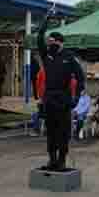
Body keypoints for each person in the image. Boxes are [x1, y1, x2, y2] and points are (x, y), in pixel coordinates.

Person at [37, 14, 86, 171]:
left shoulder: (69, 57)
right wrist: (46, 20)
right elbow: (39, 37)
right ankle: (52, 159)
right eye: (49, 42)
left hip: (64, 99)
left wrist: (77, 97)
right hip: (49, 98)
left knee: (63, 131)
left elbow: (80, 77)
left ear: (60, 43)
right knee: (50, 131)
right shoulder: (47, 55)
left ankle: (62, 160)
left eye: (53, 42)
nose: (50, 44)